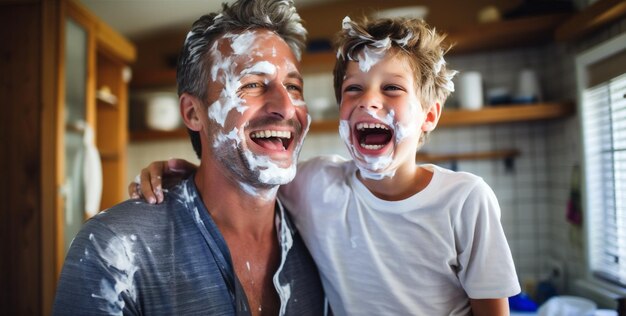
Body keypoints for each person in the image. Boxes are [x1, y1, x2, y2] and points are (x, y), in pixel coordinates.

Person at [132, 16, 521, 315]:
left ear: (430, 115)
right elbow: (240, 174)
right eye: (354, 88)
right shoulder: (316, 184)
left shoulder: (466, 201)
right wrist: (183, 169)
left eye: (392, 88)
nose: (368, 101)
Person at [52, 0, 326, 315]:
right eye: (252, 84)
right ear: (193, 113)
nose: (287, 106)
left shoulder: (321, 233)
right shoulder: (114, 248)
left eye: (293, 86)